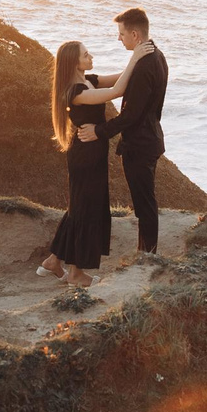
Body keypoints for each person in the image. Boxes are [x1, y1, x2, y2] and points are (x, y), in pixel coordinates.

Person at [38, 40, 147, 285]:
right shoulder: (75, 92)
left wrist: (142, 59)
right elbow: (116, 91)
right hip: (85, 156)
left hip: (93, 152)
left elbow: (121, 78)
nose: (91, 57)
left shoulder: (89, 81)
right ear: (74, 62)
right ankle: (76, 274)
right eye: (86, 55)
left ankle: (54, 261)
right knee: (86, 209)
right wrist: (136, 56)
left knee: (79, 206)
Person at [74, 6, 167, 254]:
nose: (119, 38)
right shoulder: (156, 56)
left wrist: (100, 131)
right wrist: (132, 60)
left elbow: (130, 115)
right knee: (145, 201)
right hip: (151, 138)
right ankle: (146, 252)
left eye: (122, 34)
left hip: (140, 144)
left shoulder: (145, 63)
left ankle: (147, 254)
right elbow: (131, 94)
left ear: (135, 35)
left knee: (144, 203)